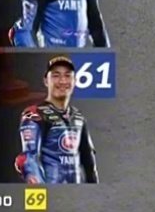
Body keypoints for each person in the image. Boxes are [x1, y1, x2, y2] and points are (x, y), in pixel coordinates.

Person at [16, 56, 98, 184]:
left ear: (75, 81)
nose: (62, 81)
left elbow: (89, 161)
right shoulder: (35, 114)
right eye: (56, 75)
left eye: (67, 75)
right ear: (46, 81)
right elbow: (28, 159)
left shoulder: (78, 116)